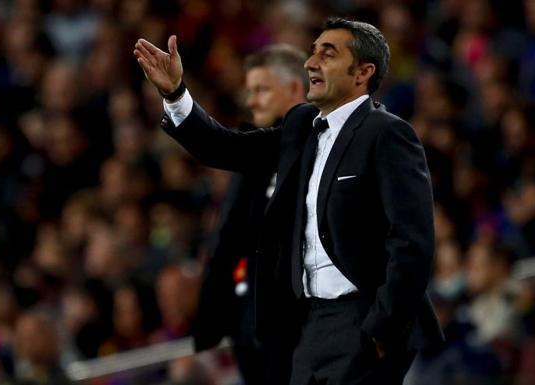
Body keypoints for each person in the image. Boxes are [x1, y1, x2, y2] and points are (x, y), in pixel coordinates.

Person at [134, 17, 444, 385]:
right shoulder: (302, 126)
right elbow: (228, 149)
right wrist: (175, 94)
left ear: (363, 71)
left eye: (327, 55)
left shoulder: (388, 133)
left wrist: (383, 325)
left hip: (364, 317)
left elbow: (412, 241)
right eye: (312, 53)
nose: (311, 62)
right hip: (311, 324)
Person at [192, 45, 307, 385]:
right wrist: (214, 317)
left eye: (262, 90)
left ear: (294, 90)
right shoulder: (252, 154)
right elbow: (228, 239)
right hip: (249, 323)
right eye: (249, 90)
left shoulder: (319, 149)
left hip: (298, 326)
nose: (251, 100)